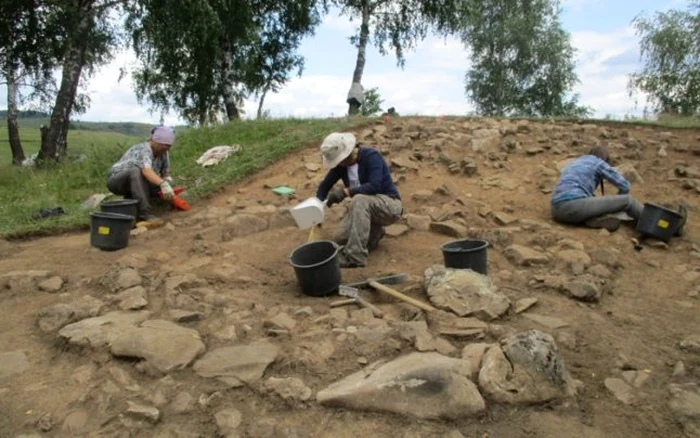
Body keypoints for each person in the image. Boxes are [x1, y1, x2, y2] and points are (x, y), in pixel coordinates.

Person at [316, 132, 403, 268]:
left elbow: (375, 186)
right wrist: (318, 205)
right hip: (367, 209)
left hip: (390, 206)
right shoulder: (341, 166)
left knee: (359, 200)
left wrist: (347, 192)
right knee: (340, 238)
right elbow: (324, 185)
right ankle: (374, 234)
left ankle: (355, 257)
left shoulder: (371, 156)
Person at [551, 146, 644, 231]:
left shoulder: (575, 162)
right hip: (572, 206)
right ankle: (655, 223)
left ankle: (595, 219)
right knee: (628, 201)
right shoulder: (598, 162)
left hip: (556, 210)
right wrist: (618, 205)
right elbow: (624, 185)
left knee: (593, 200)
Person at [106, 126, 176, 221]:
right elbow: (146, 171)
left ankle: (133, 202)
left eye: (169, 147)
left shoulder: (164, 153)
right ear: (155, 142)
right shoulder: (144, 149)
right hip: (117, 182)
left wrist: (168, 184)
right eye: (164, 146)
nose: (167, 149)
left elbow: (165, 174)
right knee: (136, 171)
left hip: (137, 182)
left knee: (168, 184)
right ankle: (144, 213)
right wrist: (162, 183)